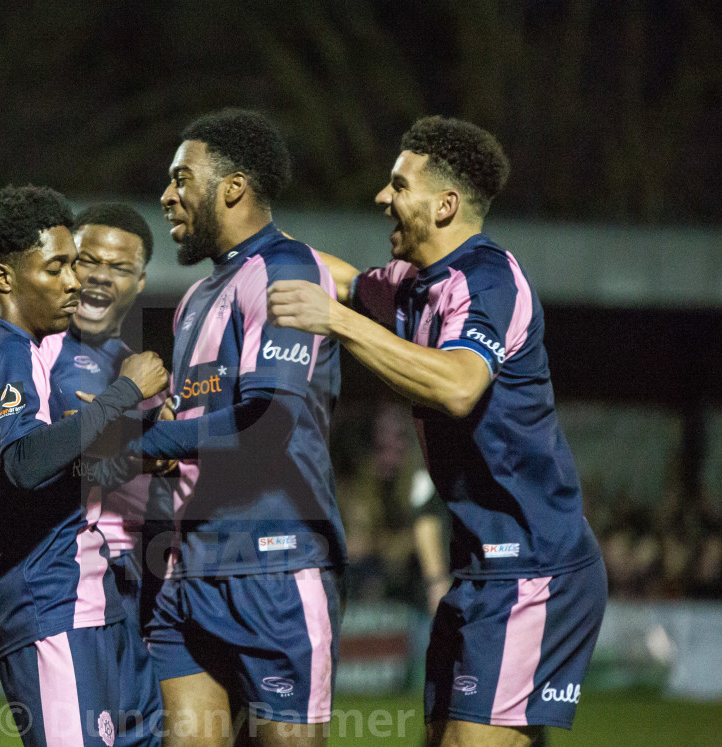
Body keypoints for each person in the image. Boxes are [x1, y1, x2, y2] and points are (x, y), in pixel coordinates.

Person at [266, 116, 606, 747]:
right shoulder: (412, 287)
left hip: (533, 567)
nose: (381, 197)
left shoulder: (488, 279)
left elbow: (457, 385)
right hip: (480, 569)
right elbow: (340, 280)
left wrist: (338, 325)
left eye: (398, 185)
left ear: (445, 205)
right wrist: (258, 237)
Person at [115, 109, 347, 746]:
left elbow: (266, 423)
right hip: (188, 574)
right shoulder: (196, 298)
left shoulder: (287, 271)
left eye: (181, 178)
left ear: (233, 188)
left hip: (273, 567)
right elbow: (202, 426)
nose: (166, 195)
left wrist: (138, 444)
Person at [0, 185, 168, 747]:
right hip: (44, 599)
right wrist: (123, 395)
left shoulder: (28, 349)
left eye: (75, 264)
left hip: (84, 596)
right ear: (4, 278)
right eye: (57, 268)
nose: (75, 281)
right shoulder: (3, 349)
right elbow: (25, 460)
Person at [41, 202, 171, 736]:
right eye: (87, 260)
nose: (98, 275)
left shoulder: (137, 367)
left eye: (118, 268)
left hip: (146, 578)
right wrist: (149, 442)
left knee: (145, 732)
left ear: (139, 283)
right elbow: (56, 462)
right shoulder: (37, 354)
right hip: (80, 580)